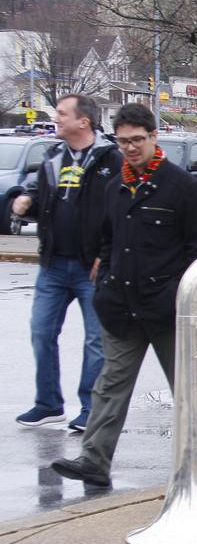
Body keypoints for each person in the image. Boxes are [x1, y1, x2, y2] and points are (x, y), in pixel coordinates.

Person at [49, 103, 197, 487]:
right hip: (122, 306)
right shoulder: (116, 186)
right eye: (123, 141)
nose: (130, 148)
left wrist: (178, 292)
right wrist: (105, 277)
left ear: (154, 137)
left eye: (137, 140)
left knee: (188, 390)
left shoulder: (181, 187)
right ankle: (94, 460)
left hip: (168, 309)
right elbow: (107, 239)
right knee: (110, 385)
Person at [11, 94, 121, 431]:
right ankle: (48, 403)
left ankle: (89, 408)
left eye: (61, 113)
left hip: (92, 266)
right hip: (53, 263)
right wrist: (26, 199)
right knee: (41, 331)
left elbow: (118, 210)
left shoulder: (109, 158)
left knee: (95, 340)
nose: (55, 118)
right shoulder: (53, 155)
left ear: (83, 121)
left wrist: (107, 255)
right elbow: (39, 192)